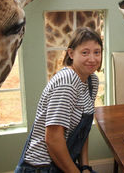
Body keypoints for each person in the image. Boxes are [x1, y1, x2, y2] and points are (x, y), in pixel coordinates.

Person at [15, 27, 102, 173]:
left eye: (97, 52)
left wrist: (85, 167)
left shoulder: (91, 81)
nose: (92, 59)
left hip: (63, 163)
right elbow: (53, 139)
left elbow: (82, 132)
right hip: (41, 168)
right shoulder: (67, 83)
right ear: (71, 53)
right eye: (85, 52)